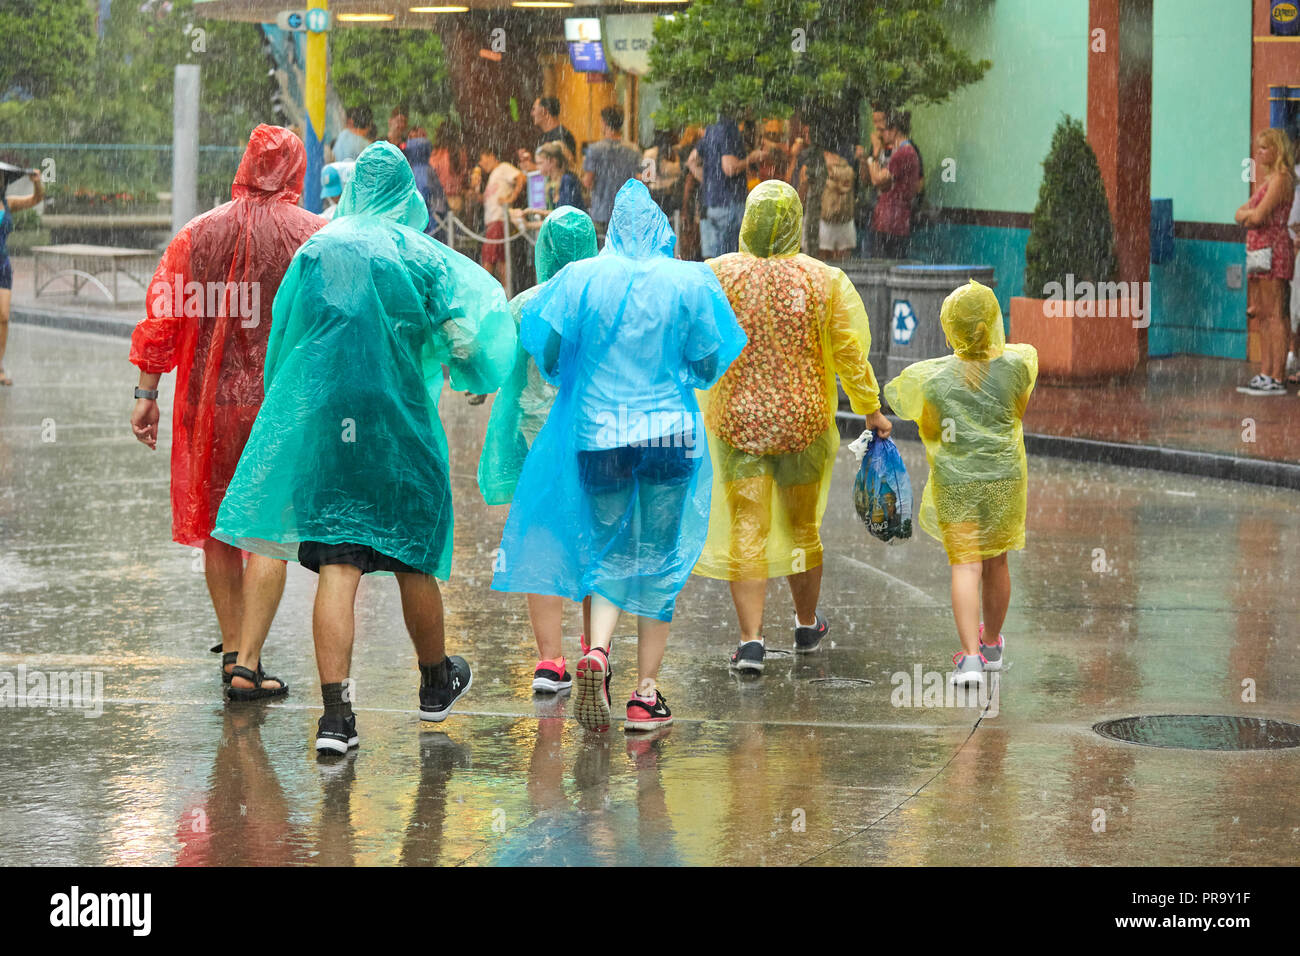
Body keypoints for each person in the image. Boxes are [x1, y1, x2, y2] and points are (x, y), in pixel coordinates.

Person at [211, 141, 515, 754]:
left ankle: (336, 719)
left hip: (328, 425)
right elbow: (467, 340)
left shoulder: (317, 251)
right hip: (397, 427)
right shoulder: (418, 256)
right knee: (413, 558)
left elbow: (286, 341)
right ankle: (434, 682)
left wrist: (286, 413)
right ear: (408, 194)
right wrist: (469, 375)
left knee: (338, 564)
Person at [493, 180, 746, 733]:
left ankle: (599, 653)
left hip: (598, 434)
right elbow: (708, 363)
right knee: (657, 556)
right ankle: (645, 695)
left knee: (606, 548)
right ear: (661, 230)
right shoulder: (689, 281)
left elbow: (551, 351)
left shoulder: (580, 278)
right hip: (669, 438)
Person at [130, 125, 326, 700]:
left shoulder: (197, 234)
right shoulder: (314, 237)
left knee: (219, 525)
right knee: (266, 527)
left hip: (208, 404)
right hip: (278, 405)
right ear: (296, 170)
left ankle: (233, 646)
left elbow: (163, 317)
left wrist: (146, 395)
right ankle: (249, 662)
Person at [697, 181, 893, 672]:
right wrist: (870, 408)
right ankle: (806, 623)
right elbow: (850, 351)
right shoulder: (823, 279)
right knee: (804, 527)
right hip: (803, 425)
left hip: (737, 423)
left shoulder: (716, 275)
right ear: (797, 222)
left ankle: (750, 643)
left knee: (748, 527)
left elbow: (692, 340)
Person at [883, 280, 1038, 692]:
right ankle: (992, 647)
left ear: (950, 330)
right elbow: (1017, 411)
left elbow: (929, 425)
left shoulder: (933, 380)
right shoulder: (1019, 367)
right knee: (997, 562)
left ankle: (969, 659)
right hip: (1003, 478)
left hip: (957, 484)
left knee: (966, 565)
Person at [478, 206, 598, 693]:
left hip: (536, 445)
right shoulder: (604, 301)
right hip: (595, 439)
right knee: (594, 538)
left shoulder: (524, 305)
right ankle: (596, 647)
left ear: (542, 249)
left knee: (543, 540)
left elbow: (500, 367)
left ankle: (550, 661)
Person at [1234, 127, 1296, 396]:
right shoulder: (1268, 181)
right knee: (1261, 314)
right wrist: (1248, 215)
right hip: (1258, 251)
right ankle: (1265, 370)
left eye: (1264, 148)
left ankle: (1277, 375)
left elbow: (1257, 216)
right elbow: (1239, 213)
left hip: (1274, 248)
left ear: (1277, 150)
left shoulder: (1282, 179)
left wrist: (1249, 216)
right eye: (1258, 148)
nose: (1258, 153)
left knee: (1275, 314)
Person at [0, 168, 44, 386]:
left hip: (3, 266)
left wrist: (37, 182)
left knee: (4, 317)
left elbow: (36, 199)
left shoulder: (8, 203)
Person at [687, 113, 748, 258]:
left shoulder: (711, 130)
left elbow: (691, 161)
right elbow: (730, 168)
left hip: (710, 205)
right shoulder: (729, 129)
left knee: (712, 263)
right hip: (729, 204)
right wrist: (752, 158)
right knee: (730, 261)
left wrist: (709, 182)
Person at [582, 106, 643, 242]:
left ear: (604, 122)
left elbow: (587, 181)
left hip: (601, 211)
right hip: (627, 212)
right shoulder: (633, 150)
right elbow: (641, 179)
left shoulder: (594, 150)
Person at [866, 109, 921, 259]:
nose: (880, 135)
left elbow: (877, 180)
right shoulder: (908, 152)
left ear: (894, 131)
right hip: (897, 220)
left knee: (884, 266)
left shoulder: (903, 153)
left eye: (883, 130)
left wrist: (873, 156)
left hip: (890, 221)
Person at [476, 144, 524, 288]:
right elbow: (483, 199)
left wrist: (511, 198)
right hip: (493, 221)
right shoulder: (492, 175)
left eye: (482, 159)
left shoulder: (503, 168)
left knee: (488, 260)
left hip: (498, 220)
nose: (481, 163)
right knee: (501, 261)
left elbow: (521, 177)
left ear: (491, 155)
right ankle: (506, 294)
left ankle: (483, 292)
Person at [532, 142, 584, 213]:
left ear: (553, 161)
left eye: (540, 163)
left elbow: (565, 214)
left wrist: (531, 221)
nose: (537, 167)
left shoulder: (567, 180)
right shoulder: (549, 180)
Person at [532, 96, 577, 161]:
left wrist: (533, 167)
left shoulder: (561, 135)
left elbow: (565, 166)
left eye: (534, 109)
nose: (532, 114)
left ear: (545, 112)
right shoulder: (545, 136)